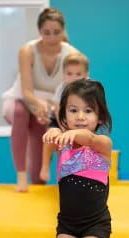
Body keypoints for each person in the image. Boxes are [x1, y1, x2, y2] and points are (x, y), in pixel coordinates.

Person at [42, 79, 113, 238]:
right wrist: (53, 133)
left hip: (96, 224)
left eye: (88, 111)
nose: (80, 116)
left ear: (100, 115)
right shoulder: (64, 143)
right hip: (67, 224)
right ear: (63, 115)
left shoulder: (102, 145)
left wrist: (72, 134)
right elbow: (53, 135)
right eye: (73, 110)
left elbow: (89, 138)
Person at [2, 7, 79, 192]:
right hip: (23, 98)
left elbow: (73, 90)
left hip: (53, 103)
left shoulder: (71, 55)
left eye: (56, 33)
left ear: (63, 31)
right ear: (39, 32)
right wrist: (39, 106)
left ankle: (39, 180)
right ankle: (21, 176)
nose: (52, 38)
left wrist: (53, 111)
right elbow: (27, 91)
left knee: (41, 141)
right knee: (21, 114)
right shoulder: (28, 51)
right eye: (46, 33)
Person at [39, 52, 90, 182]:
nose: (73, 78)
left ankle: (72, 174)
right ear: (63, 74)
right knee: (51, 138)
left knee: (75, 147)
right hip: (59, 118)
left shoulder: (89, 88)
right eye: (69, 74)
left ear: (86, 75)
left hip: (79, 120)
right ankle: (45, 166)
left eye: (78, 74)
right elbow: (57, 109)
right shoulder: (62, 88)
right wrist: (64, 128)